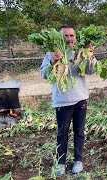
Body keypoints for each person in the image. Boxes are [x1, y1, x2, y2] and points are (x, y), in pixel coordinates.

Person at [40, 25, 95, 176]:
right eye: (66, 36)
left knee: (79, 131)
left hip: (80, 99)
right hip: (62, 101)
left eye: (72, 36)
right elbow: (43, 74)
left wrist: (89, 55)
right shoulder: (51, 54)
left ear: (75, 37)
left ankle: (78, 160)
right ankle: (61, 162)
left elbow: (91, 71)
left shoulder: (81, 52)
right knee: (62, 133)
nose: (69, 39)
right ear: (60, 38)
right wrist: (52, 61)